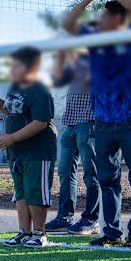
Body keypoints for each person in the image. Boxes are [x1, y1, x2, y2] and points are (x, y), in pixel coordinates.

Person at [62, 0, 131, 249]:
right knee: (108, 180)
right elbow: (67, 24)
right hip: (102, 122)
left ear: (118, 20)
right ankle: (112, 232)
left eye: (103, 16)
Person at [0, 46, 57, 248]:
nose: (11, 68)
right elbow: (9, 110)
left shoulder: (39, 89)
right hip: (17, 153)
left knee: (35, 191)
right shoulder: (15, 87)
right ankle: (24, 232)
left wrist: (12, 137)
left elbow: (40, 121)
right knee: (21, 192)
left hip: (37, 151)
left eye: (15, 64)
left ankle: (40, 234)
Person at [45, 50, 100, 235]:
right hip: (71, 122)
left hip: (89, 121)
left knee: (91, 173)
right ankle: (64, 217)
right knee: (65, 171)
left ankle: (91, 219)